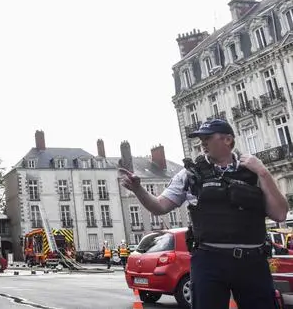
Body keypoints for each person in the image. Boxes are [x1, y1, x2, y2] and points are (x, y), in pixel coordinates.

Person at [119, 119, 288, 309]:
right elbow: (160, 206)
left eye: (208, 138)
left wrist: (263, 172)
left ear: (228, 140)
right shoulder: (190, 175)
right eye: (201, 139)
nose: (203, 143)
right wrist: (138, 189)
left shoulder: (253, 170)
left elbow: (280, 214)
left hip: (252, 261)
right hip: (209, 261)